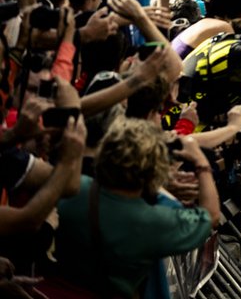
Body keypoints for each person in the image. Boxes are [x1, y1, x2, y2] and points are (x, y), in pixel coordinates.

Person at [54, 118, 220, 297]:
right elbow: (210, 216)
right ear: (154, 169)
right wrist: (201, 162)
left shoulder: (74, 189)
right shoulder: (153, 221)